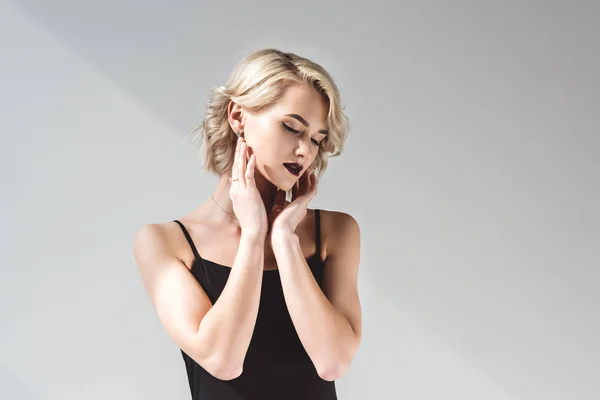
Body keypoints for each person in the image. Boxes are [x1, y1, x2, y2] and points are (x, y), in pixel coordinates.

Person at [133, 48, 362, 400]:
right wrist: (254, 236)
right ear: (238, 117)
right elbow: (222, 360)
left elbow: (332, 362)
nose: (305, 151)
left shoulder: (335, 232)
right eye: (291, 127)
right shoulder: (165, 242)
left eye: (316, 139)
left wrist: (284, 239)